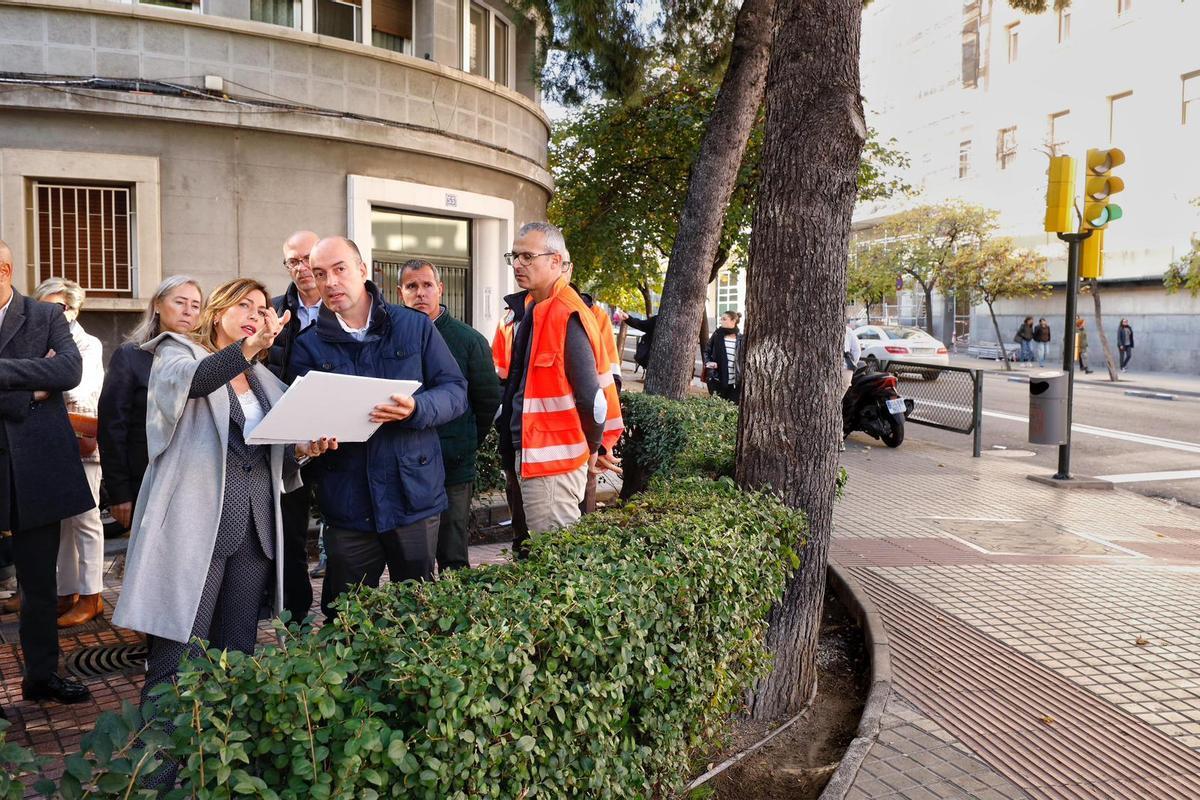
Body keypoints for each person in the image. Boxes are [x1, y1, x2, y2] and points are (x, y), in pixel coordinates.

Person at [112, 279, 335, 715]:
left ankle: (217, 764)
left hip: (254, 529)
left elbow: (274, 446)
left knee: (236, 651)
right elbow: (195, 383)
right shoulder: (176, 353)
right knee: (178, 656)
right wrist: (250, 347)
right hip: (194, 528)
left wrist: (305, 449)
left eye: (260, 308)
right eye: (244, 306)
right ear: (217, 313)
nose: (255, 314)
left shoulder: (264, 380)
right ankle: (159, 772)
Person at [290, 237, 468, 616]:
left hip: (412, 496)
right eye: (320, 274)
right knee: (346, 616)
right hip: (348, 501)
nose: (331, 282)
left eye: (340, 269)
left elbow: (456, 391)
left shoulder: (414, 326)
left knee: (420, 612)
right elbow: (299, 418)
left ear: (363, 271)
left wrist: (417, 408)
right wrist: (310, 443)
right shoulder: (307, 345)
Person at [0, 239, 95, 713]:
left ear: (3, 269)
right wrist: (28, 389)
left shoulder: (44, 316)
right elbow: (48, 376)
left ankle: (42, 677)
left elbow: (71, 371)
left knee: (40, 585)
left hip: (36, 469)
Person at [496, 222, 623, 553]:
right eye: (515, 256)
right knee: (542, 561)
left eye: (527, 256)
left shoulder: (563, 313)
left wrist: (595, 448)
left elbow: (591, 398)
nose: (518, 264)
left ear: (556, 260)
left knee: (553, 565)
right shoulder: (538, 310)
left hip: (552, 467)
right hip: (541, 460)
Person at [398, 259, 500, 572]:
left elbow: (486, 401)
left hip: (453, 465)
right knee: (413, 557)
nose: (420, 293)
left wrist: (465, 441)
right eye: (411, 286)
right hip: (406, 464)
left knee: (453, 552)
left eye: (427, 285)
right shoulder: (393, 335)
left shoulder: (469, 341)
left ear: (440, 289)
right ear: (400, 292)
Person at [99, 277, 203, 539]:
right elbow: (112, 427)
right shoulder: (131, 355)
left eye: (195, 305)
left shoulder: (204, 358)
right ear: (157, 305)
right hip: (145, 478)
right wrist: (119, 492)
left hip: (192, 481)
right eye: (179, 302)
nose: (188, 310)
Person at [31, 279, 106, 628]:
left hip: (80, 439)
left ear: (74, 310)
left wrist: (42, 381)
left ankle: (92, 597)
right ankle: (66, 592)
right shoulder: (38, 341)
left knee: (86, 519)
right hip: (48, 440)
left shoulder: (87, 344)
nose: (52, 313)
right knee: (60, 521)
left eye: (59, 306)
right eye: (45, 306)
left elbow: (78, 386)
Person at [268, 230, 323, 625]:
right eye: (293, 262)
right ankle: (295, 615)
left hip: (338, 437)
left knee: (345, 529)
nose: (302, 268)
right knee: (288, 532)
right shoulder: (272, 313)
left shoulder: (347, 308)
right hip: (289, 442)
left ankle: (341, 616)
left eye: (308, 259)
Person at [562, 255, 624, 514]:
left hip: (579, 437)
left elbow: (608, 380)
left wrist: (599, 445)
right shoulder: (519, 313)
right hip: (543, 445)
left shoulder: (592, 315)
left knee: (582, 500)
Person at [704, 311, 744, 403]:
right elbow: (707, 351)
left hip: (734, 383)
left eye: (724, 319)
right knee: (716, 409)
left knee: (732, 410)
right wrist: (708, 362)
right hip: (716, 379)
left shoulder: (741, 338)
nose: (720, 321)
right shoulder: (717, 335)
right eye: (721, 318)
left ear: (733, 321)